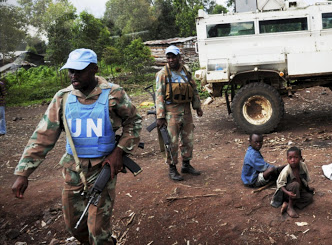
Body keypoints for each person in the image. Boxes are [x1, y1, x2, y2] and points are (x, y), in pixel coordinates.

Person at [11, 48, 142, 245]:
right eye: (71, 70)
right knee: (74, 226)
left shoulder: (113, 94)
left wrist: (119, 151)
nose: (74, 75)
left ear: (94, 69)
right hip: (73, 170)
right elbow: (43, 135)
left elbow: (134, 122)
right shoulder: (63, 98)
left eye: (79, 70)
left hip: (103, 168)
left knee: (98, 231)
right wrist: (23, 172)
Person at [155, 45, 203, 181]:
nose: (171, 60)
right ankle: (172, 168)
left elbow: (193, 89)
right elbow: (159, 96)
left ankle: (186, 164)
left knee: (188, 140)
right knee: (172, 142)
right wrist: (160, 116)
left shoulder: (185, 71)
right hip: (171, 112)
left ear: (179, 57)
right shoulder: (162, 74)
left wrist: (197, 106)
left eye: (173, 57)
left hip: (186, 111)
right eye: (168, 57)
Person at [271, 146, 314, 218]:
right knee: (295, 184)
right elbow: (280, 185)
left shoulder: (303, 166)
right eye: (290, 158)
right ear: (287, 159)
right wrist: (288, 193)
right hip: (286, 193)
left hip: (297, 192)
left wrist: (308, 189)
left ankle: (287, 204)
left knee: (309, 198)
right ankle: (290, 207)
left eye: (296, 157)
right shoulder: (286, 170)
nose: (293, 160)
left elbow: (304, 179)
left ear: (300, 158)